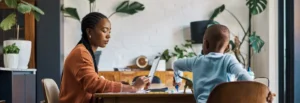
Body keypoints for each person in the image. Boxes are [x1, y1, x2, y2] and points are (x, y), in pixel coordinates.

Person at [59, 12, 149, 103]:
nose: (108, 36)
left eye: (109, 32)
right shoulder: (81, 53)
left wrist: (123, 85)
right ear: (89, 32)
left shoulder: (84, 51)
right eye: (104, 30)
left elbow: (93, 81)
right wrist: (133, 88)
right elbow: (93, 84)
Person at [173, 24, 253, 103]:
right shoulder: (228, 60)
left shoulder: (196, 61)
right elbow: (245, 77)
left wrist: (178, 80)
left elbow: (176, 64)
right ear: (227, 47)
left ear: (206, 44)